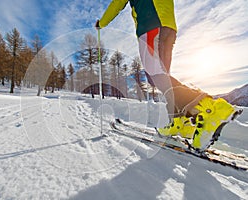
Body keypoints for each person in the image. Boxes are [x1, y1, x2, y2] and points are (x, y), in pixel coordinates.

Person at [95, 0, 242, 151]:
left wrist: (101, 23)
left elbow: (117, 3)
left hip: (150, 23)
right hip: (168, 26)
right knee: (163, 76)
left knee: (155, 75)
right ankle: (179, 122)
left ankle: (209, 108)